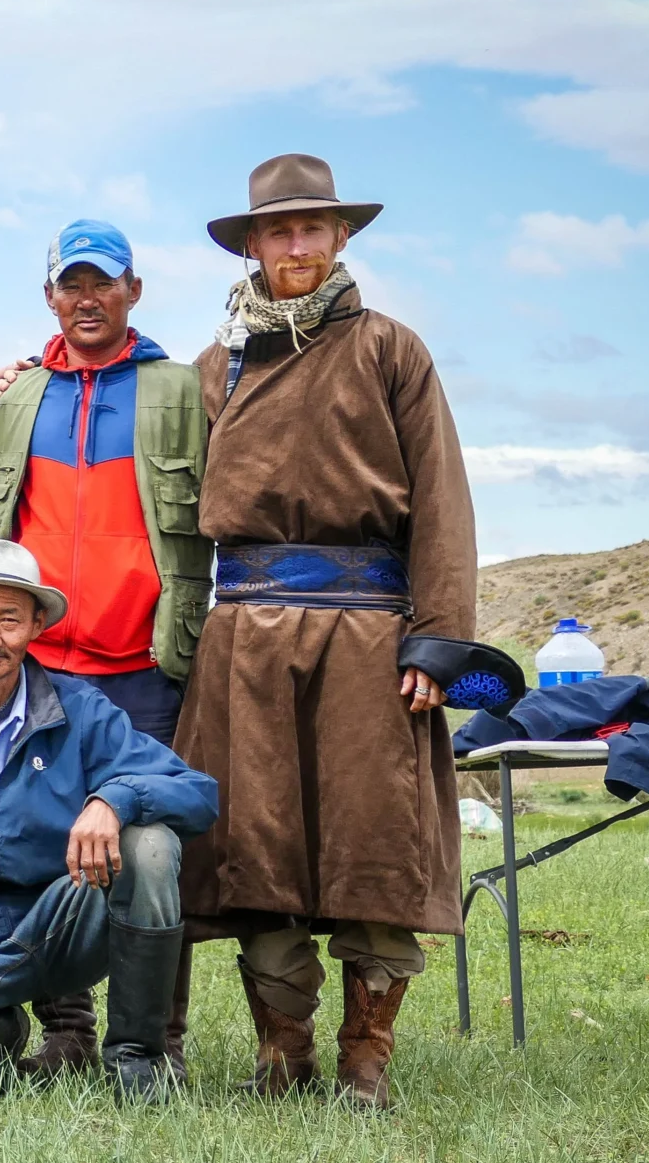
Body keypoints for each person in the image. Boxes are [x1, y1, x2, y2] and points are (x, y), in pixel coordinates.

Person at [175, 155, 478, 1109]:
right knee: (253, 843)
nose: (296, 244)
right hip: (246, 637)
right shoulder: (216, 364)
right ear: (254, 243)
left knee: (372, 841)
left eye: (314, 228)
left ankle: (365, 1057)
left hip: (368, 634)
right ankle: (283, 1047)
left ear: (341, 238)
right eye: (279, 230)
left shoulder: (393, 348)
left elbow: (442, 502)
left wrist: (438, 639)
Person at [0, 220, 212, 1077]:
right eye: (70, 284)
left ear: (133, 292)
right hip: (43, 666)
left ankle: (157, 1040)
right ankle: (66, 1030)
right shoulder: (20, 397)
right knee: (43, 842)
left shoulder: (179, 388)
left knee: (153, 841)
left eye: (102, 283)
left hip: (144, 662)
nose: (86, 298)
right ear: (49, 297)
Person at [0, 539, 217, 1096]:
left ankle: (137, 1059)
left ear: (37, 624)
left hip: (67, 921)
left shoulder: (80, 708)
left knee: (150, 844)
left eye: (10, 619)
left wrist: (114, 801)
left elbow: (197, 793)